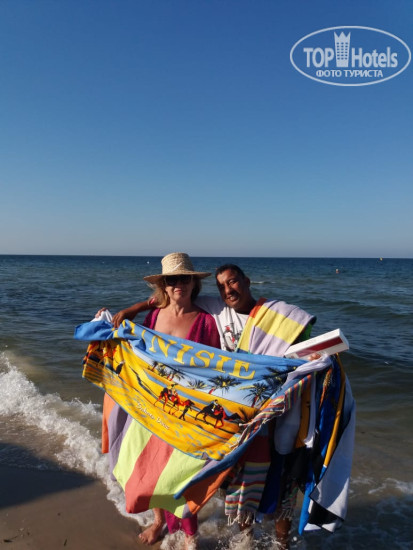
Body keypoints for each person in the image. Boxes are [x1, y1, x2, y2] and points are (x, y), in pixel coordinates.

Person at [100, 263, 316, 549]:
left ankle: (277, 544)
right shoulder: (193, 311)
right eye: (222, 285)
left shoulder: (246, 313)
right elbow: (161, 307)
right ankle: (185, 526)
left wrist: (314, 355)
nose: (228, 290)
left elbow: (299, 334)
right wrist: (130, 311)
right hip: (179, 406)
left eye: (233, 282)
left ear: (246, 281)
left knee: (277, 476)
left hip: (255, 409)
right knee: (184, 472)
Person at [100, 252, 220, 549]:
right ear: (163, 285)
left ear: (194, 284)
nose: (179, 284)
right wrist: (108, 322)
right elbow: (136, 351)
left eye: (185, 279)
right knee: (151, 467)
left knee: (182, 474)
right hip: (152, 405)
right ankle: (158, 521)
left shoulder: (206, 321)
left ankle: (190, 535)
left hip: (186, 410)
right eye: (172, 279)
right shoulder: (153, 316)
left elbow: (216, 368)